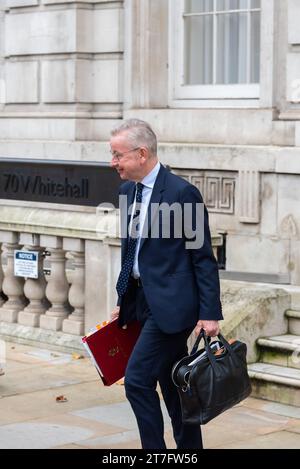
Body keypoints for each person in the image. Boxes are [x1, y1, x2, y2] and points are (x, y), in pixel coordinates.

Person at [110, 119, 223, 449]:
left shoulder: (181, 193)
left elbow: (202, 257)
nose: (112, 162)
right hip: (142, 303)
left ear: (141, 153)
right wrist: (123, 298)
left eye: (117, 155)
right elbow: (130, 251)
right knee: (176, 389)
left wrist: (210, 313)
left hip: (172, 307)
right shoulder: (125, 192)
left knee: (137, 382)